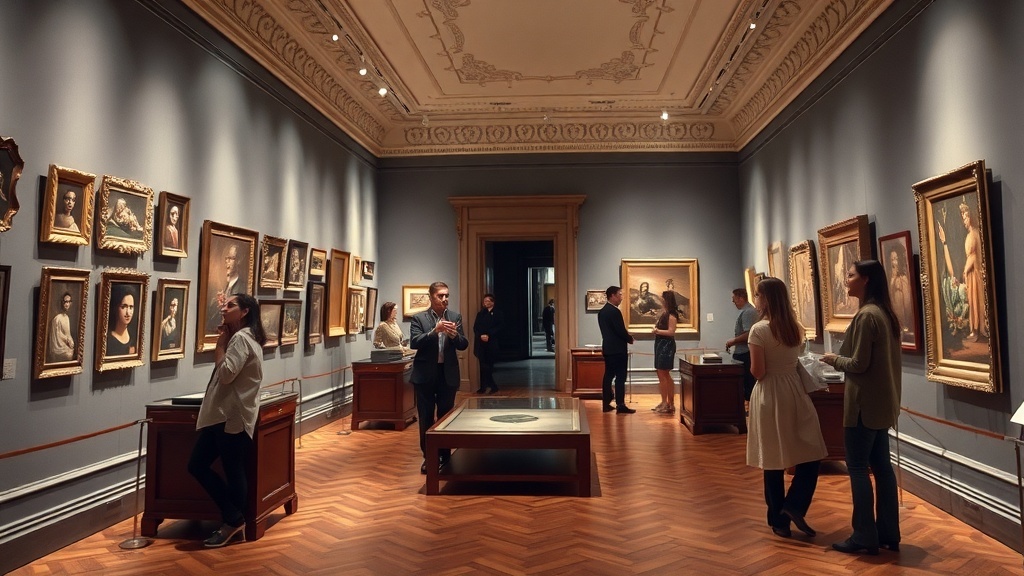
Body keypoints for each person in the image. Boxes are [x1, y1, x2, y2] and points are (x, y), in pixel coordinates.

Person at [822, 260, 902, 555]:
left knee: (857, 468)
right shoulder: (885, 314)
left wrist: (832, 359)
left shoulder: (867, 316)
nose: (847, 278)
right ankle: (889, 533)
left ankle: (864, 535)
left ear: (866, 280)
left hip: (862, 406)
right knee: (882, 469)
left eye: (852, 274)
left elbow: (858, 364)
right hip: (882, 405)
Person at [746, 277, 828, 539]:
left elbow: (758, 372)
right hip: (794, 391)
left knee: (772, 459)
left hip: (769, 393)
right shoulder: (796, 327)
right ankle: (794, 505)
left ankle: (778, 519)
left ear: (766, 299)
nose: (756, 300)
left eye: (758, 295)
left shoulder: (759, 330)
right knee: (810, 451)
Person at [188, 294, 267, 548]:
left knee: (231, 470)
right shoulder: (246, 338)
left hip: (231, 416)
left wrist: (220, 344)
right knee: (198, 464)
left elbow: (225, 375)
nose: (224, 308)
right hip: (224, 415)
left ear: (244, 312)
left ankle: (232, 522)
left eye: (230, 305)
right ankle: (233, 517)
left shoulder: (241, 340)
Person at [409, 282, 468, 474]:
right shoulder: (419, 318)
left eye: (446, 296)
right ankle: (429, 457)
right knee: (426, 417)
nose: (444, 299)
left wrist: (454, 336)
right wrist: (435, 332)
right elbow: (415, 342)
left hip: (447, 375)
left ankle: (445, 455)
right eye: (440, 296)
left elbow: (463, 344)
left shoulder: (455, 317)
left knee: (446, 417)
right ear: (431, 297)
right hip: (425, 375)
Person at [937, 199, 988, 343]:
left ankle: (977, 329)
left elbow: (972, 256)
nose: (964, 220)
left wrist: (965, 271)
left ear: (971, 217)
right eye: (962, 217)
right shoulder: (970, 234)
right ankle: (975, 329)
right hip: (972, 272)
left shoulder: (974, 234)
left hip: (974, 272)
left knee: (975, 300)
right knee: (972, 300)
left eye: (965, 216)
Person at [599, 285, 635, 414]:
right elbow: (619, 330)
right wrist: (629, 338)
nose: (621, 298)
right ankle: (620, 404)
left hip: (608, 348)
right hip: (618, 350)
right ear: (612, 295)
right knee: (620, 377)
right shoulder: (614, 311)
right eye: (620, 295)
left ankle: (606, 403)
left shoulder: (602, 311)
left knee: (608, 375)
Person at [726, 288, 759, 401]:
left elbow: (750, 334)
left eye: (734, 299)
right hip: (742, 352)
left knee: (747, 385)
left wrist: (733, 341)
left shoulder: (749, 312)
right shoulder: (746, 311)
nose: (733, 302)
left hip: (745, 353)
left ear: (740, 298)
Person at [651, 290, 679, 414]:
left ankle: (668, 403)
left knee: (664, 374)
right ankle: (666, 402)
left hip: (666, 345)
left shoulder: (671, 315)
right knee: (662, 374)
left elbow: (671, 332)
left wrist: (657, 331)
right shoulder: (665, 313)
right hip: (661, 344)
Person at [208, 244, 246, 333]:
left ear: (239, 261)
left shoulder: (243, 288)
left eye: (231, 258)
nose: (227, 262)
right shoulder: (225, 288)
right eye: (226, 258)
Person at [473, 293, 503, 394]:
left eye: (487, 301)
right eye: (484, 301)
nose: (485, 303)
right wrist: (481, 335)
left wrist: (489, 335)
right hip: (481, 344)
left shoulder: (498, 313)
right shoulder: (480, 314)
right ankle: (484, 387)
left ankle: (492, 386)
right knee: (482, 366)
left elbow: (499, 327)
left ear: (492, 302)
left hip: (491, 343)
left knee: (489, 366)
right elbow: (476, 327)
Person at [886, 248, 913, 342]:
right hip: (896, 298)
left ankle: (906, 325)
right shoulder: (890, 275)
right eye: (892, 259)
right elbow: (890, 290)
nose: (895, 262)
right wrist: (893, 278)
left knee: (906, 307)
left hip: (904, 297)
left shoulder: (904, 275)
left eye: (896, 259)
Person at [106, 284, 137, 356]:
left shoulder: (134, 337)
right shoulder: (109, 340)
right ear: (116, 308)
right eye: (123, 307)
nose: (128, 313)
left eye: (131, 307)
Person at [47, 292, 76, 362]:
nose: (67, 304)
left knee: (71, 352)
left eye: (69, 302)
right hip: (58, 347)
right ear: (62, 302)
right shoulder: (57, 318)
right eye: (66, 302)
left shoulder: (66, 317)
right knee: (68, 354)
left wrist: (71, 340)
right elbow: (57, 334)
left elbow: (68, 334)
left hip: (66, 345)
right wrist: (67, 339)